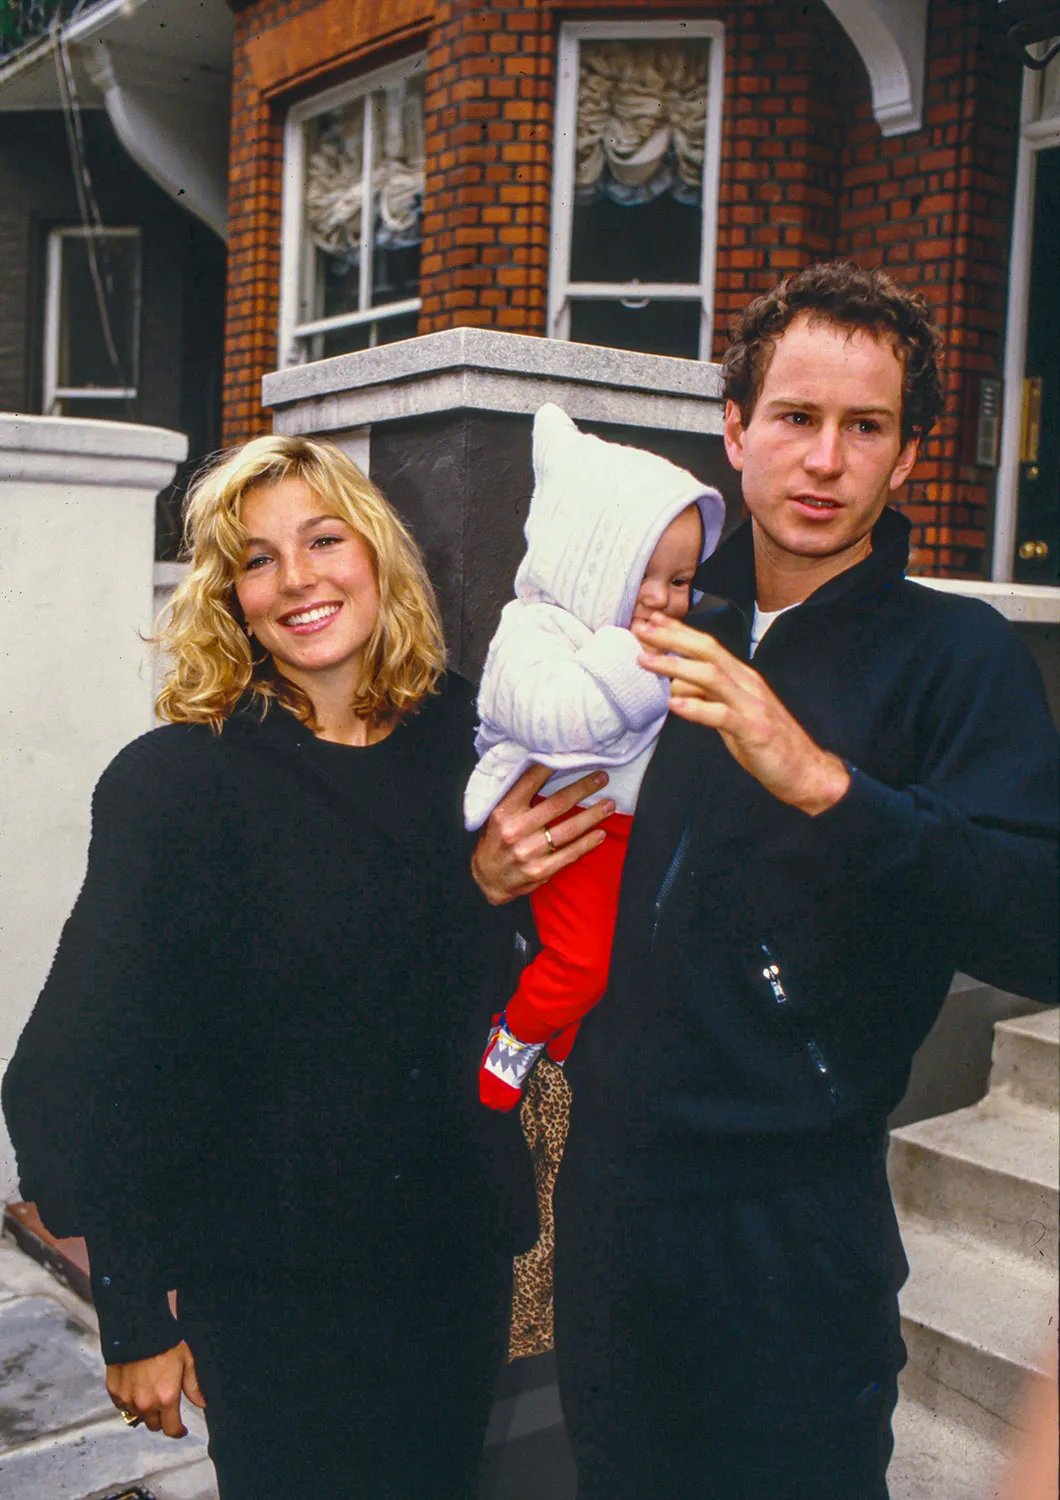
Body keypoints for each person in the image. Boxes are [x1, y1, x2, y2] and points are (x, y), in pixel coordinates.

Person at [472, 262, 1059, 1498]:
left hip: (793, 1228)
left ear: (906, 461)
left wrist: (824, 784)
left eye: (866, 428)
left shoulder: (957, 657)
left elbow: (1038, 924)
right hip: (611, 1209)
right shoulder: (650, 618)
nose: (824, 459)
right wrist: (485, 869)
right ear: (734, 431)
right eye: (794, 417)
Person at [1, 434, 546, 1499]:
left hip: (446, 1264)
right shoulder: (176, 785)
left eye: (323, 539)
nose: (296, 579)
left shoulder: (471, 746)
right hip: (270, 1289)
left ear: (379, 556)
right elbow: (79, 1063)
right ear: (229, 595)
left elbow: (482, 994)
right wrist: (129, 1306)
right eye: (257, 558)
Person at [465, 402, 723, 1109]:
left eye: (680, 580)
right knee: (583, 965)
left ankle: (559, 1025)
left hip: (619, 827)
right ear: (592, 562)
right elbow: (559, 719)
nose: (665, 599)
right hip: (563, 823)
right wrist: (636, 662)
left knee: (622, 960)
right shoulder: (535, 629)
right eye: (646, 573)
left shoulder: (654, 640)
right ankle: (514, 1037)